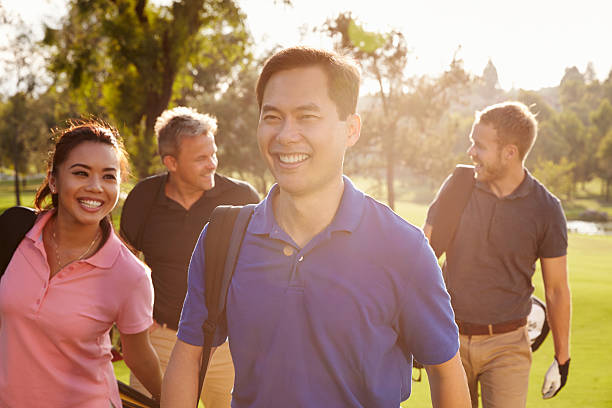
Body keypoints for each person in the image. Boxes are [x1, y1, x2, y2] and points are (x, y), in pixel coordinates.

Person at [162, 46, 470, 408]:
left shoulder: (403, 248)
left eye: (307, 116)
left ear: (351, 129)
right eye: (272, 116)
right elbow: (189, 357)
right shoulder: (223, 237)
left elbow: (446, 372)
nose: (286, 135)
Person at [0, 121, 162, 407]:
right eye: (81, 173)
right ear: (53, 180)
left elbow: (139, 357)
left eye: (109, 176)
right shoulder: (14, 230)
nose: (95, 187)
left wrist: (174, 399)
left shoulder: (130, 275)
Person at [424, 101, 571, 408]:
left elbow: (556, 289)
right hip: (450, 339)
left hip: (508, 347)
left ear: (510, 153)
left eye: (479, 146)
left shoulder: (546, 209)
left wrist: (562, 358)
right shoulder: (459, 186)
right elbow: (421, 256)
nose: (471, 153)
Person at [120, 106, 260, 406]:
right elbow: (124, 262)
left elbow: (265, 266)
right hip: (161, 338)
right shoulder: (143, 198)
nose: (212, 164)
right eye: (200, 158)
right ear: (171, 162)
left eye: (213, 154)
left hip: (227, 344)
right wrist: (138, 319)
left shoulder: (242, 198)